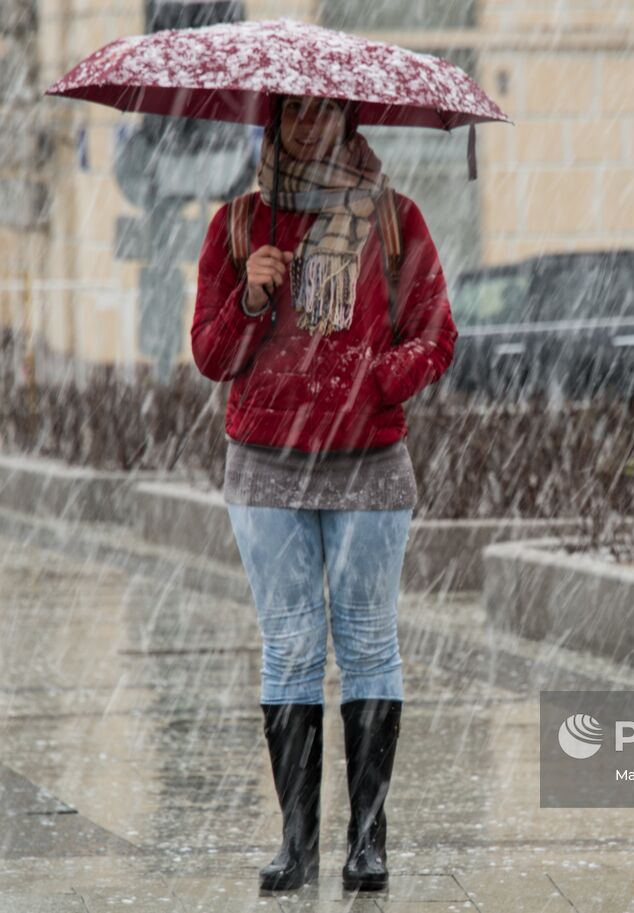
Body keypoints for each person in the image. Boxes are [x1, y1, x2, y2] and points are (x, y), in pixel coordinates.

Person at [190, 93, 457, 893]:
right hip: (266, 467)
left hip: (368, 463)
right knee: (293, 648)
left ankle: (367, 839)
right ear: (272, 122)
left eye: (324, 113)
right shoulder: (237, 227)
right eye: (295, 114)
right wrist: (253, 296)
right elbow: (209, 352)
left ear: (348, 120)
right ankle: (296, 840)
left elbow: (437, 332)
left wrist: (381, 381)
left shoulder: (395, 220)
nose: (310, 127)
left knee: (369, 640)